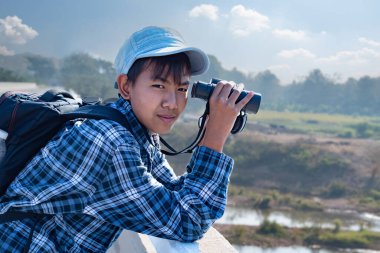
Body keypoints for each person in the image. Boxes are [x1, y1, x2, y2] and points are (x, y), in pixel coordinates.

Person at [0, 26, 253, 252]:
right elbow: (189, 221)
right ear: (125, 87)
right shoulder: (111, 141)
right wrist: (215, 136)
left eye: (182, 89)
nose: (173, 103)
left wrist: (212, 126)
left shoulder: (136, 131)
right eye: (159, 86)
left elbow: (173, 194)